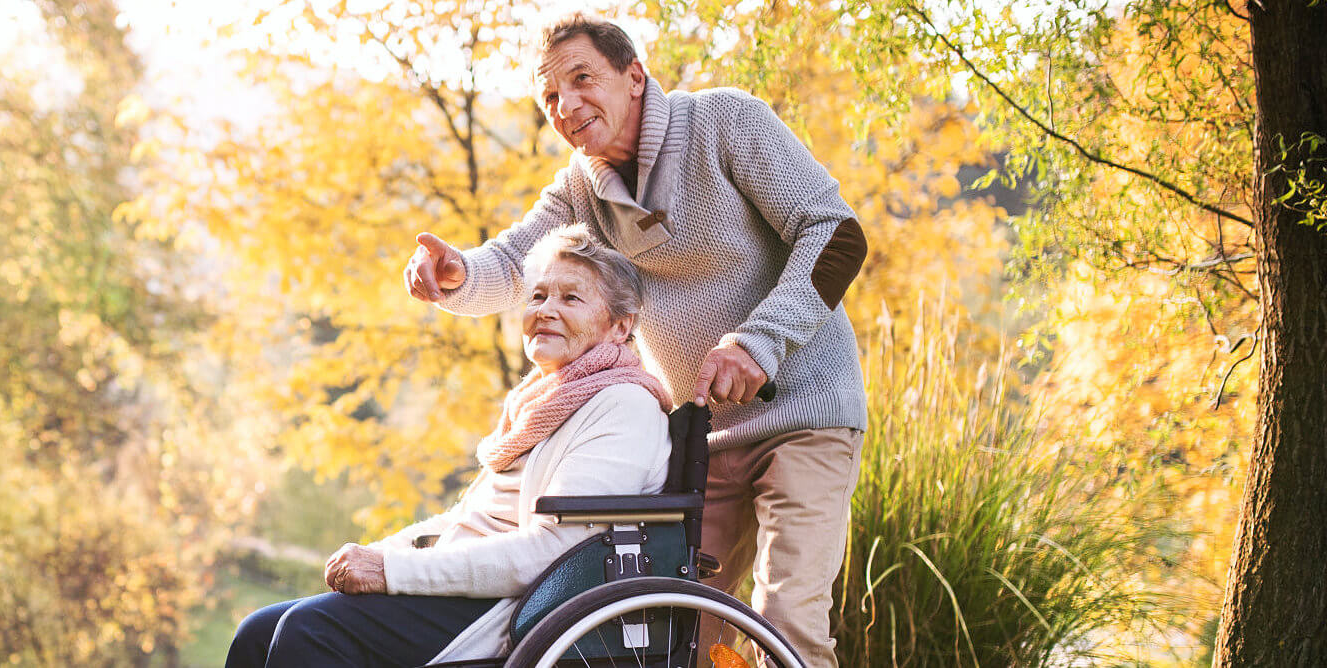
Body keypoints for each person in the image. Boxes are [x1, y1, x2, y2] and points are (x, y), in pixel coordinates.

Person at [402, 13, 868, 667]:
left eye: (582, 79)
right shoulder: (583, 187)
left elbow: (836, 232)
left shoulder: (725, 122)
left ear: (635, 76)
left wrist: (759, 344)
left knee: (785, 627)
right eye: (551, 96)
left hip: (806, 416)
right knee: (672, 631)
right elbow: (514, 265)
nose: (567, 105)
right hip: (704, 435)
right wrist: (455, 276)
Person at [228, 226, 674, 667]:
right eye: (537, 297)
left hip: (516, 607)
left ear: (620, 326)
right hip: (467, 584)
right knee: (258, 630)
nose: (545, 310)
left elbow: (551, 551)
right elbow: (470, 521)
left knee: (308, 632)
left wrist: (392, 572)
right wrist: (385, 552)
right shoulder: (543, 400)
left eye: (570, 298)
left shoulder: (623, 405)